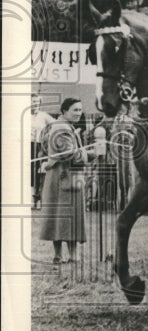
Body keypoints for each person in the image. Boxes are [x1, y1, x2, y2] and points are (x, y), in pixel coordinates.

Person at [38, 97, 88, 265]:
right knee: (67, 216)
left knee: (60, 216)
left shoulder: (63, 126)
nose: (78, 113)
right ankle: (69, 256)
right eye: (75, 110)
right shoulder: (62, 128)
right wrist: (90, 154)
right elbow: (70, 154)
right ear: (64, 111)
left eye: (80, 110)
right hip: (64, 177)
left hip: (61, 176)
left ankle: (61, 256)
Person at [30, 94, 55, 210]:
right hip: (27, 145)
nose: (35, 104)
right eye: (33, 101)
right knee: (29, 173)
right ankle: (31, 199)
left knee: (39, 172)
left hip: (40, 147)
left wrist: (48, 135)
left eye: (37, 102)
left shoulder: (43, 115)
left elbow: (56, 123)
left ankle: (39, 198)